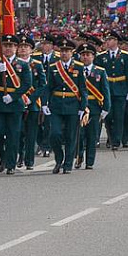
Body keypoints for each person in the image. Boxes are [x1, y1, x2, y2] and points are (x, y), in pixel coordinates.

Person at [0, 34, 32, 175]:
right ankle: (3, 156)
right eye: (5, 46)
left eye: (11, 46)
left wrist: (13, 96)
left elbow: (27, 84)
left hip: (14, 104)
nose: (8, 48)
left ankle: (11, 164)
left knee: (14, 135)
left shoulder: (23, 65)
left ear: (16, 48)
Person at [43, 39, 87, 175]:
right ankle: (59, 158)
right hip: (56, 105)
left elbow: (83, 89)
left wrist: (83, 107)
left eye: (67, 51)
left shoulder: (79, 67)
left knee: (71, 136)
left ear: (72, 52)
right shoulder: (53, 67)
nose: (64, 54)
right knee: (54, 134)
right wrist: (44, 103)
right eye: (62, 51)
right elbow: (48, 87)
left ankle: (67, 164)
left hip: (73, 105)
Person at [75, 43, 111, 170]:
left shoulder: (100, 71)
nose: (85, 57)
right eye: (83, 55)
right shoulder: (75, 70)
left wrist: (106, 108)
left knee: (92, 135)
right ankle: (79, 157)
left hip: (95, 107)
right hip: (79, 107)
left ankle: (90, 161)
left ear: (93, 56)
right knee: (79, 135)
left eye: (88, 55)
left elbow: (105, 91)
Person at [95, 31, 128, 151]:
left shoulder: (125, 56)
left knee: (119, 116)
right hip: (107, 89)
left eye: (110, 40)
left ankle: (116, 141)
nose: (108, 42)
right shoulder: (101, 57)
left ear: (116, 41)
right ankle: (110, 136)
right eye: (107, 40)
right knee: (108, 116)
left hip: (121, 89)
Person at [17, 36, 45, 170]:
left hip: (32, 103)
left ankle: (29, 160)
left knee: (31, 133)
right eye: (21, 46)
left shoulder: (37, 65)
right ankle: (19, 155)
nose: (23, 49)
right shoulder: (12, 65)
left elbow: (42, 84)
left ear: (31, 50)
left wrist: (31, 98)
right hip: (16, 102)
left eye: (26, 47)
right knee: (18, 132)